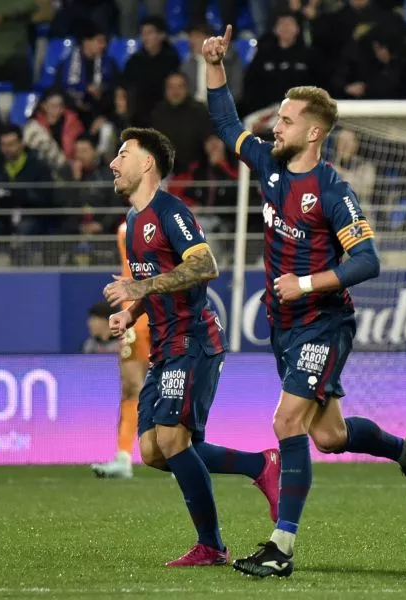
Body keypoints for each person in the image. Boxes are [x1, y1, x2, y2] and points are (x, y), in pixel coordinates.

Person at [204, 26, 406, 579]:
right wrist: (215, 66)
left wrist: (306, 285)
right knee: (327, 436)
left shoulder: (333, 191)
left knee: (287, 422)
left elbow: (368, 260)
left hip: (323, 323)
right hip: (285, 325)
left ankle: (281, 548)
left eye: (284, 120)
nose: (273, 126)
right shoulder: (269, 165)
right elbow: (228, 125)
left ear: (312, 132)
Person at [103, 127, 280, 566]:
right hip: (163, 346)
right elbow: (157, 284)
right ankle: (259, 465)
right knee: (152, 451)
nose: (113, 162)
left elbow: (205, 265)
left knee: (172, 438)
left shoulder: (171, 209)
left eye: (123, 153)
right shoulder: (132, 222)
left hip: (193, 340)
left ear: (148, 164)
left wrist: (137, 285)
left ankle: (212, 546)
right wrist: (132, 311)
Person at [90, 223, 151, 479]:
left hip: (167, 310)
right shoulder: (126, 227)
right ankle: (124, 457)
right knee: (131, 386)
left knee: (175, 381)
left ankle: (182, 452)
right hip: (133, 313)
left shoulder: (171, 218)